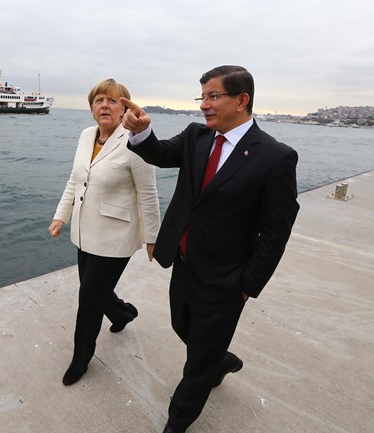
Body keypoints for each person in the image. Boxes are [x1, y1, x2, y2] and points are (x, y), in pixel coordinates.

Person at [121, 66, 299, 433]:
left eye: (213, 96)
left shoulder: (275, 157)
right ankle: (221, 360)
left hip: (226, 279)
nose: (204, 105)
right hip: (185, 263)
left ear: (242, 100)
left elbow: (276, 232)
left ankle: (177, 421)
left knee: (197, 363)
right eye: (202, 96)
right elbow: (159, 153)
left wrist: (247, 285)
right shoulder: (196, 137)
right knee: (181, 324)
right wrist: (141, 132)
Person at [48, 78, 160, 386]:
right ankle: (123, 313)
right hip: (85, 232)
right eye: (99, 100)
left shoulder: (135, 141)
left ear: (124, 108)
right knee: (93, 289)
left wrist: (153, 237)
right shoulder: (87, 135)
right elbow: (75, 180)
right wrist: (61, 216)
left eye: (112, 100)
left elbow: (148, 193)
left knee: (88, 300)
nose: (105, 105)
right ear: (91, 108)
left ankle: (81, 359)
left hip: (116, 237)